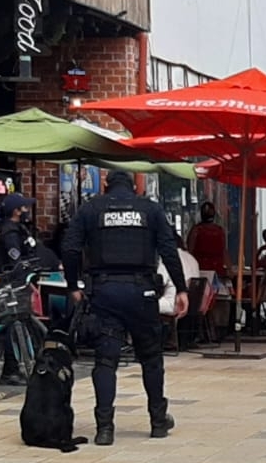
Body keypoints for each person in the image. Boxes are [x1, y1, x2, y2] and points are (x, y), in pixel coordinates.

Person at [62, 170, 188, 445]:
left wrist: (73, 285)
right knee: (152, 359)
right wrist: (180, 288)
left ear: (106, 186)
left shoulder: (91, 209)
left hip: (104, 292)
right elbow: (169, 250)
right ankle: (158, 421)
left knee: (106, 361)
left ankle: (104, 428)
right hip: (142, 292)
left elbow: (70, 248)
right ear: (134, 187)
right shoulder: (150, 209)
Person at [0, 194, 40, 386]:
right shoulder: (10, 232)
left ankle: (16, 367)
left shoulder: (17, 229)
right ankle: (10, 370)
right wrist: (26, 280)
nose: (27, 211)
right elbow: (16, 262)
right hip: (13, 284)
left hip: (15, 283)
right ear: (16, 211)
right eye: (24, 208)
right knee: (14, 326)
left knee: (19, 324)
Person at [186, 201, 229, 277]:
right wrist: (230, 268)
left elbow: (190, 251)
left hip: (201, 271)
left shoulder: (196, 230)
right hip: (217, 271)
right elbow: (224, 252)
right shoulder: (219, 231)